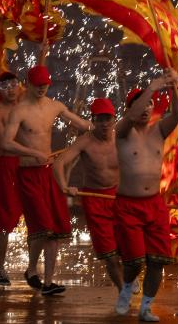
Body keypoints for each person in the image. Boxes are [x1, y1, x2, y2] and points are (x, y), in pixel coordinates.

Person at [14, 64, 93, 296]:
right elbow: (6, 142)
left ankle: (48, 283)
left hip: (47, 173)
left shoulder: (55, 106)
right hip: (28, 174)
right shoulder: (19, 111)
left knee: (55, 230)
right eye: (37, 85)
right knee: (43, 227)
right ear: (28, 85)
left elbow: (82, 124)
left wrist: (104, 127)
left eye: (45, 85)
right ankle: (31, 269)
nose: (41, 89)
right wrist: (31, 153)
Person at [114, 68, 178, 323]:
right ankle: (126, 288)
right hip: (127, 205)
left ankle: (146, 308)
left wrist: (173, 86)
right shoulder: (122, 132)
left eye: (149, 105)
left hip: (154, 204)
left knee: (157, 261)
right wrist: (153, 86)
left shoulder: (159, 131)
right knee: (134, 262)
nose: (145, 109)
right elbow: (131, 115)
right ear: (130, 109)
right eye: (139, 104)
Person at [53, 97, 124, 291]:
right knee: (108, 254)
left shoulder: (122, 137)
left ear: (114, 119)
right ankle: (122, 291)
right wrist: (64, 186)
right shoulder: (84, 142)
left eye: (107, 119)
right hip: (94, 199)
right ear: (93, 121)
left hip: (119, 196)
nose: (104, 124)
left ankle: (128, 280)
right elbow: (59, 163)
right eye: (99, 120)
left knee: (129, 247)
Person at [0, 71, 49, 286]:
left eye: (14, 84)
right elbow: (4, 143)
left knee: (39, 218)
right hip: (9, 167)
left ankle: (32, 269)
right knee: (6, 220)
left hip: (30, 167)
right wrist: (32, 152)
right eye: (5, 86)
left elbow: (39, 79)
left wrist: (43, 50)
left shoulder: (27, 103)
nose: (11, 89)